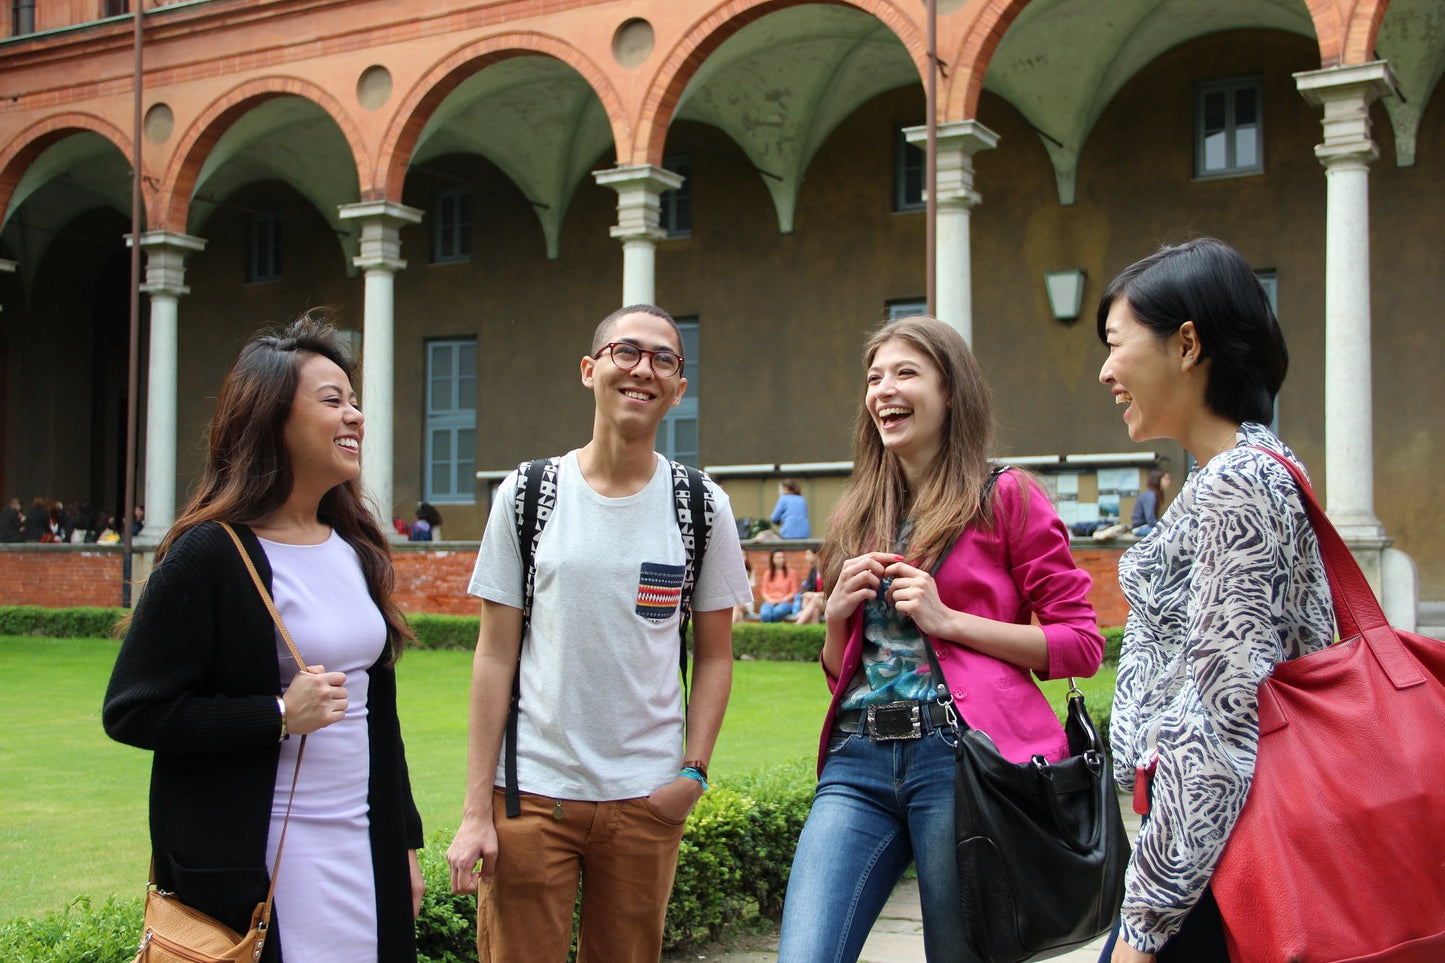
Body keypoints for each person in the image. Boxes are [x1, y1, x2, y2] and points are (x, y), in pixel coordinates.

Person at [779, 315, 1104, 962]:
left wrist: (948, 620)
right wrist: (838, 615)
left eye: (904, 372)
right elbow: (839, 670)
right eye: (873, 377)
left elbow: (1080, 644)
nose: (883, 390)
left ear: (950, 390)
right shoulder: (857, 511)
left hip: (958, 764)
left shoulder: (1004, 496)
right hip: (856, 761)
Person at [103, 312, 426, 963]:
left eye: (354, 401)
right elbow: (134, 707)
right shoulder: (211, 554)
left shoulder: (356, 548)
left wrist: (406, 844)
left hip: (362, 843)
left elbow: (379, 719)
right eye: (332, 400)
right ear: (272, 418)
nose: (355, 416)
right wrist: (277, 714)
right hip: (264, 856)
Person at [445, 304, 752, 962]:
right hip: (532, 795)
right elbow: (494, 656)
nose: (642, 368)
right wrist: (477, 811)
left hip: (644, 799)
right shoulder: (529, 494)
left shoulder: (699, 505)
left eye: (662, 358)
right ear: (590, 370)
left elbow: (716, 656)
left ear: (678, 388)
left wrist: (692, 772)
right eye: (625, 352)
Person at [1095, 238, 1334, 962]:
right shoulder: (1240, 472)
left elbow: (1217, 719)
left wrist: (1141, 929)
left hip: (1216, 864)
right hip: (1216, 853)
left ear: (1186, 343)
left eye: (1115, 343)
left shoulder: (1239, 481)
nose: (1106, 371)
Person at [758, 548, 801, 622]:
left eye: (782, 557)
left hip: (786, 602)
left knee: (778, 611)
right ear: (772, 559)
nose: (780, 560)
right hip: (770, 601)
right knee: (765, 614)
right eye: (778, 557)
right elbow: (764, 591)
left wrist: (782, 600)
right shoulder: (768, 573)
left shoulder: (791, 572)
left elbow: (794, 591)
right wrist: (770, 600)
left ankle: (775, 631)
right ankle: (768, 632)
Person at [1129, 469, 1170, 537]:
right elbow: (1150, 519)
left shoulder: (1153, 494)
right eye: (1166, 479)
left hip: (1145, 527)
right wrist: (1165, 526)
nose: (1169, 482)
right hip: (1141, 528)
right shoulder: (1151, 495)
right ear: (1158, 480)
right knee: (1168, 534)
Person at [793, 547, 827, 624]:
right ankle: (813, 632)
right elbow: (809, 589)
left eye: (808, 554)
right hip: (817, 602)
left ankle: (798, 625)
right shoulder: (813, 571)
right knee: (815, 610)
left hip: (830, 601)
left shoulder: (827, 570)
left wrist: (814, 595)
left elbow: (831, 592)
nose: (806, 557)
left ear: (816, 555)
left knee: (814, 601)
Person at [734, 546, 758, 623]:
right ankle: (737, 630)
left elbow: (749, 590)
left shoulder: (750, 572)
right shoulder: (731, 571)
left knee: (736, 607)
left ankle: (731, 626)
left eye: (743, 555)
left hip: (746, 602)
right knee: (739, 614)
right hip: (734, 602)